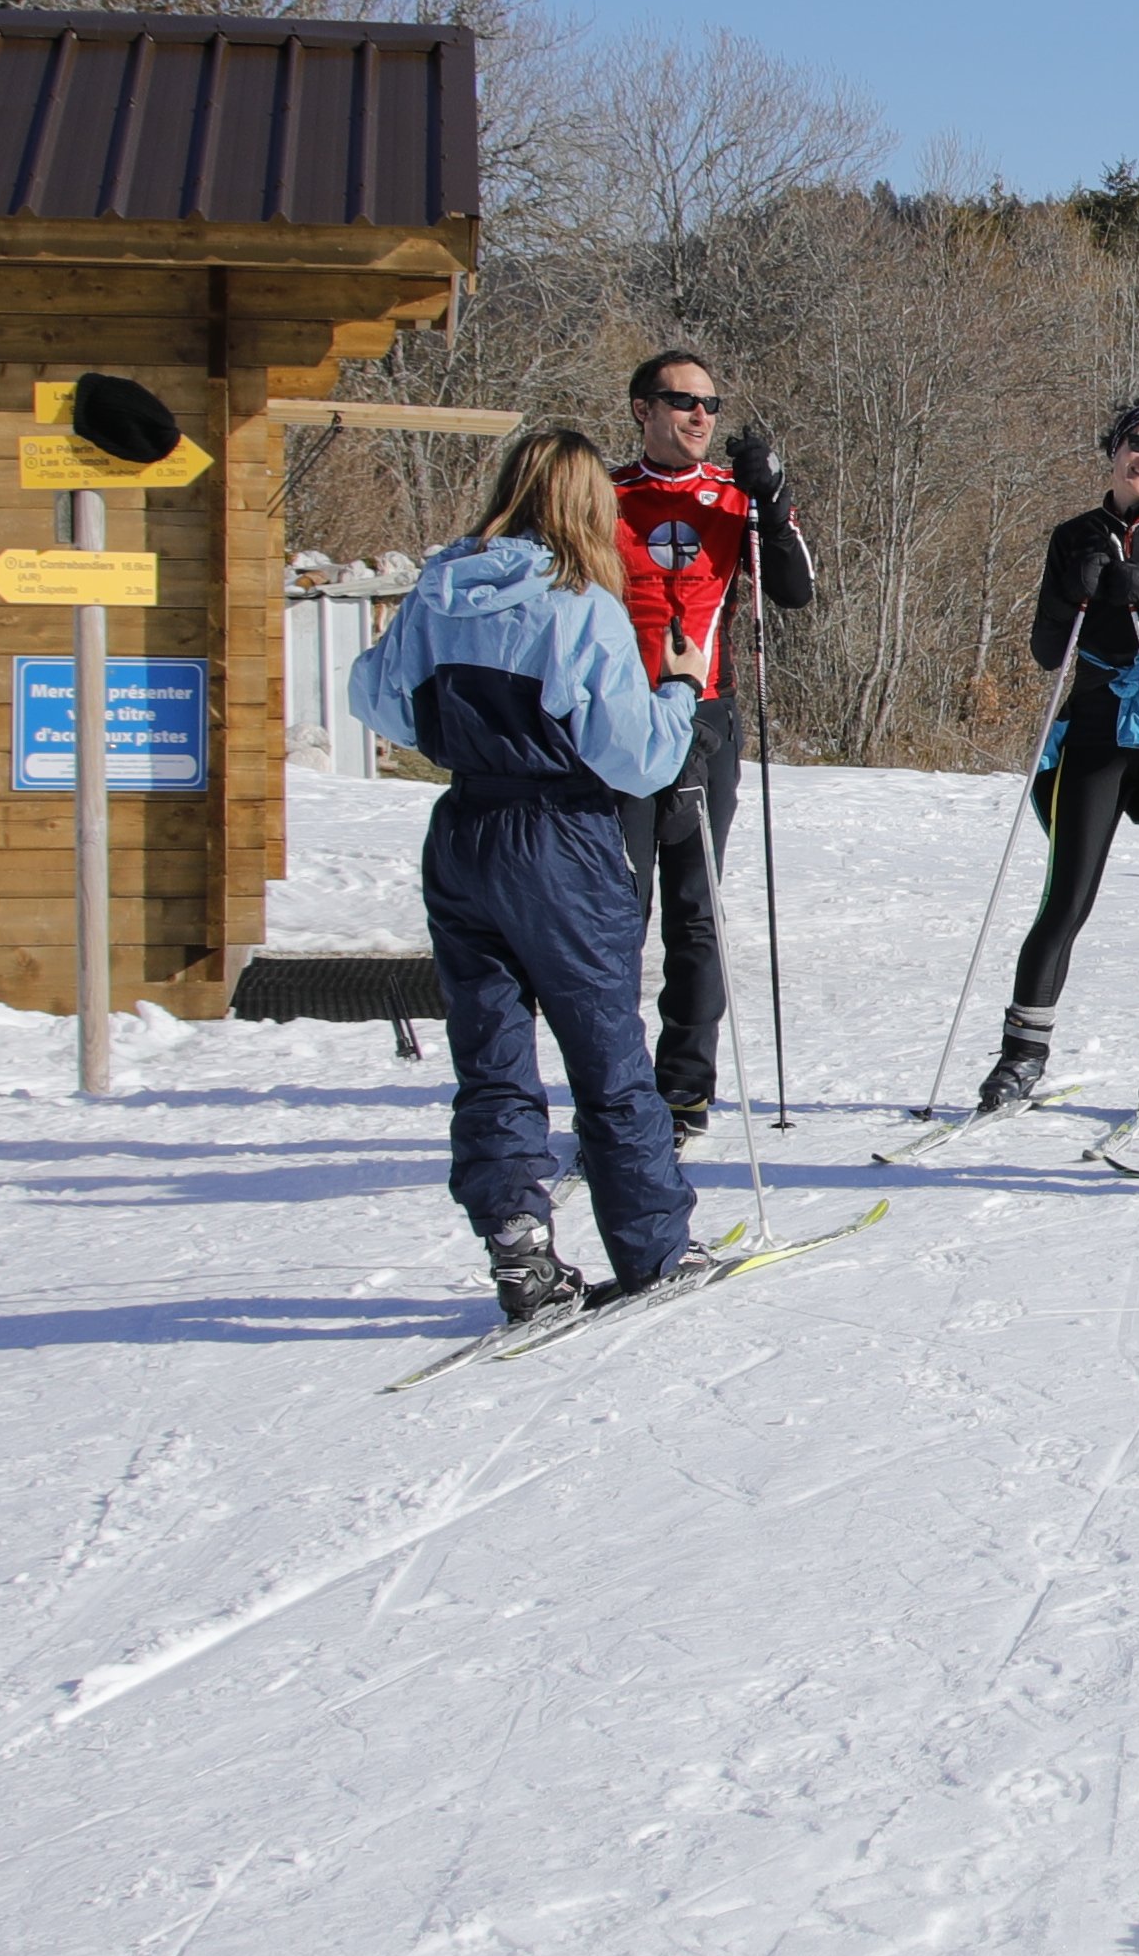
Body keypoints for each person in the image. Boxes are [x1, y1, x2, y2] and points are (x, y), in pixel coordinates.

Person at [349, 420, 706, 1326]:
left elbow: (375, 697)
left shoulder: (437, 588)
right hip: (559, 835)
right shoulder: (578, 602)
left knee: (492, 1047)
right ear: (587, 507)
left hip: (464, 827)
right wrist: (678, 690)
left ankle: (518, 1238)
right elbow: (636, 761)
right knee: (605, 1049)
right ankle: (654, 1248)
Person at [974, 396, 1139, 1118]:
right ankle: (1021, 1055)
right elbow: (1043, 650)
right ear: (1114, 448)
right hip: (1095, 722)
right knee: (1065, 897)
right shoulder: (1074, 537)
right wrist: (1078, 593)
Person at [608, 344, 819, 1139]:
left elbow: (796, 589)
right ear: (643, 410)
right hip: (618, 723)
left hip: (704, 721)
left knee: (694, 910)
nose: (701, 416)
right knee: (616, 912)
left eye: (710, 405)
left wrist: (773, 495)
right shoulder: (605, 493)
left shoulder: (735, 496)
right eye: (683, 402)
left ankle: (684, 1089)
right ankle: (617, 1083)